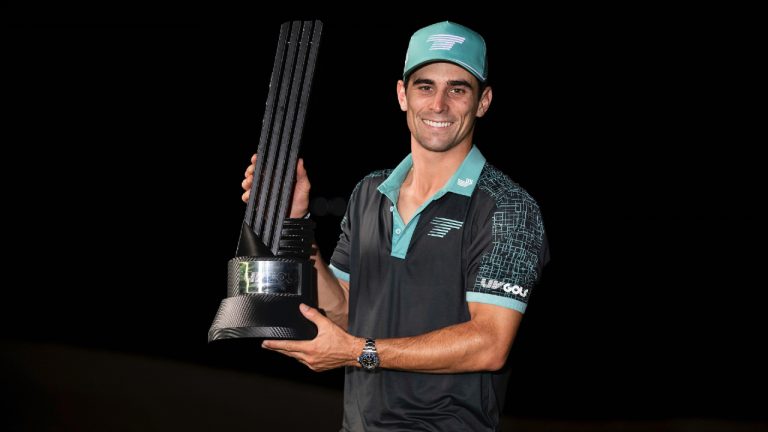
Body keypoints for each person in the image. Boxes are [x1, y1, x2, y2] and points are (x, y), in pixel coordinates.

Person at [242, 21, 549, 431]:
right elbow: (346, 309)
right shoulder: (370, 192)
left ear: (483, 101)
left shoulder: (509, 206)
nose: (438, 105)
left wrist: (356, 353)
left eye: (457, 89)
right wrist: (295, 222)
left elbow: (490, 345)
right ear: (403, 95)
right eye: (425, 86)